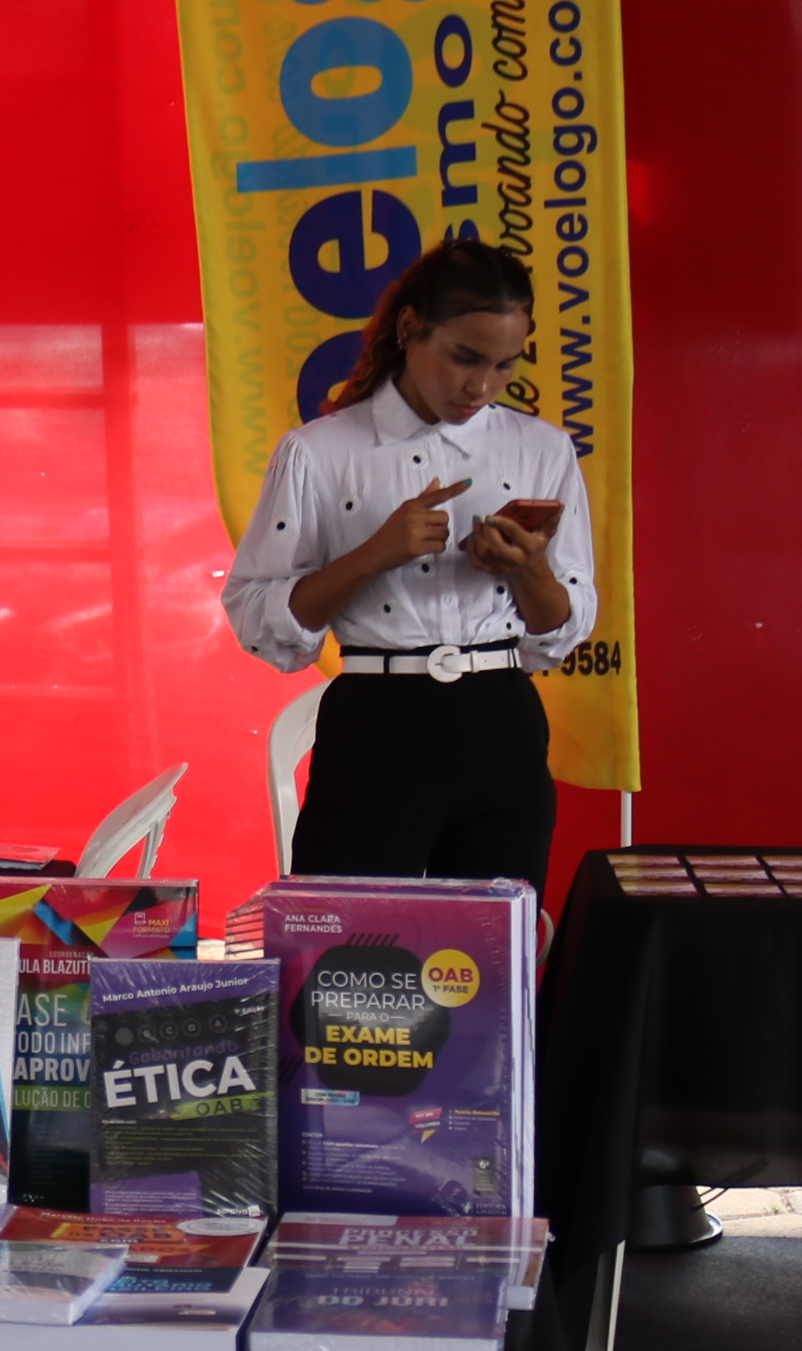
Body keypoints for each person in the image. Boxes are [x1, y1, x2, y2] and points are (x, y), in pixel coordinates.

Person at [222, 240, 596, 894]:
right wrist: (374, 555)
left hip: (502, 720)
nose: (481, 386)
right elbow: (257, 615)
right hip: (376, 722)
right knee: (349, 939)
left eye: (505, 365)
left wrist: (527, 568)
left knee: (495, 944)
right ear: (409, 328)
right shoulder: (319, 452)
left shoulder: (543, 449)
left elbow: (561, 626)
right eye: (464, 357)